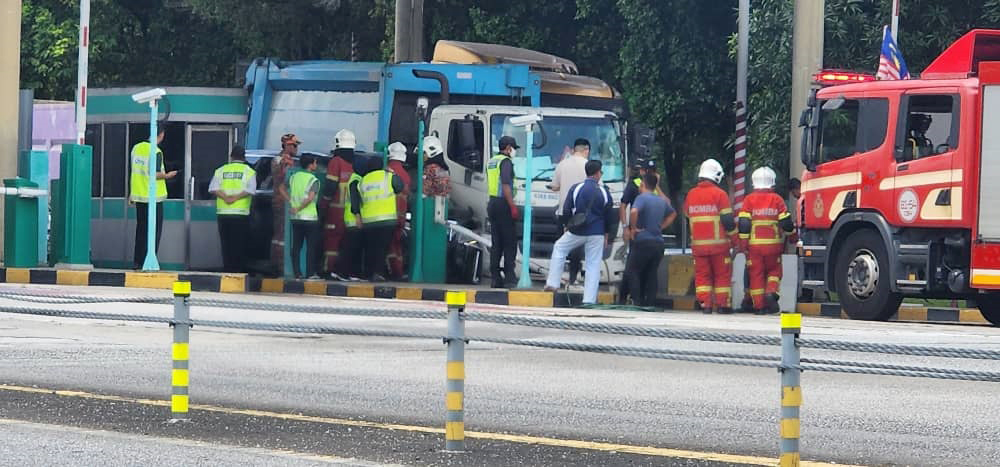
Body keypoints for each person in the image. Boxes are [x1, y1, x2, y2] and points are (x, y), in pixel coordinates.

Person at [544, 160, 617, 304]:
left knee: (559, 247)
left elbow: (566, 209)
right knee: (593, 264)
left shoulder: (576, 188)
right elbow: (609, 215)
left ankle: (553, 283)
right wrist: (607, 234)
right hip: (597, 232)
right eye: (601, 172)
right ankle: (589, 300)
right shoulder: (604, 191)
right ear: (597, 173)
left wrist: (567, 225)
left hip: (577, 230)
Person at [738, 167, 795, 314]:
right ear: (772, 182)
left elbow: (744, 224)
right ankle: (771, 292)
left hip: (754, 247)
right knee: (774, 271)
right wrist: (793, 236)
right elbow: (786, 223)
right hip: (773, 247)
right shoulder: (777, 199)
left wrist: (743, 244)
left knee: (755, 275)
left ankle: (759, 307)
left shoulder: (749, 200)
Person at [684, 158, 737, 314]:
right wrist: (735, 240)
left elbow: (687, 214)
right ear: (716, 176)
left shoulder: (691, 195)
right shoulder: (720, 194)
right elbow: (728, 221)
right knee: (722, 276)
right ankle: (722, 305)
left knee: (702, 276)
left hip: (698, 246)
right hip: (719, 246)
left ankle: (705, 305)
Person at [624, 173, 677, 306]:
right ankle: (650, 302)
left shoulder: (642, 198)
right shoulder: (660, 200)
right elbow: (673, 213)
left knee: (633, 271)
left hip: (643, 241)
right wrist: (661, 226)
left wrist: (633, 228)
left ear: (642, 185)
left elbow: (634, 211)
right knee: (652, 273)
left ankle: (637, 301)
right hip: (658, 243)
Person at [130, 127, 178, 269]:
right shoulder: (156, 151)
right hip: (153, 198)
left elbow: (135, 172)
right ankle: (149, 262)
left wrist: (131, 194)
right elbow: (155, 174)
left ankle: (137, 262)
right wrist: (168, 176)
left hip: (139, 196)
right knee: (153, 232)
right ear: (161, 135)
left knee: (141, 231)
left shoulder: (136, 148)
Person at [350, 156, 405, 281]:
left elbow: (356, 200)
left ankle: (369, 273)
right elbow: (400, 187)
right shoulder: (388, 176)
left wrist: (358, 216)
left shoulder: (363, 180)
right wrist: (392, 173)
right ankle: (378, 273)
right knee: (382, 248)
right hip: (387, 220)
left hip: (369, 221)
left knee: (371, 248)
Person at [549, 138, 590, 286]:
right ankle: (573, 278)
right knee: (577, 249)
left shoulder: (562, 164)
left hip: (563, 213)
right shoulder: (588, 166)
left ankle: (557, 278)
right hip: (580, 214)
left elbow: (554, 186)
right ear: (586, 150)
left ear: (574, 150)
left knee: (560, 247)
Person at [209, 146, 256, 273]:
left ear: (231, 156)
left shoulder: (221, 170)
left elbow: (213, 188)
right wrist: (235, 197)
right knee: (239, 244)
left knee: (226, 244)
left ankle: (227, 270)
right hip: (240, 214)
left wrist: (226, 197)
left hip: (223, 213)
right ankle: (238, 271)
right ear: (244, 157)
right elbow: (250, 190)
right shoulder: (249, 171)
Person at [322, 129, 358, 279]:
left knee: (331, 242)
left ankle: (327, 269)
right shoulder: (352, 165)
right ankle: (340, 270)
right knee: (343, 242)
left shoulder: (335, 162)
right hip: (348, 213)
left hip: (335, 211)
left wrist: (323, 204)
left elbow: (330, 187)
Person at [487, 135, 520, 288]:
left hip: (492, 202)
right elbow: (506, 184)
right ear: (508, 148)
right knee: (509, 242)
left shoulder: (492, 161)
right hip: (503, 204)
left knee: (496, 243)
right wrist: (512, 205)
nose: (514, 151)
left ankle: (495, 277)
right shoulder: (506, 162)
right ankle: (509, 277)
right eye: (513, 148)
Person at [271, 133, 300, 276]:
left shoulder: (288, 159)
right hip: (282, 201)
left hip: (286, 201)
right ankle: (279, 266)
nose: (296, 148)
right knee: (281, 236)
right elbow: (283, 179)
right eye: (294, 145)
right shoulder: (282, 160)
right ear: (286, 145)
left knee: (282, 235)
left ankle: (280, 265)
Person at [288, 154, 321, 279]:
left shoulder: (294, 177)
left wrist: (292, 203)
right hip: (310, 218)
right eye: (315, 163)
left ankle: (297, 273)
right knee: (311, 247)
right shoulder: (313, 180)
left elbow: (281, 187)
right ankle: (310, 273)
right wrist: (299, 207)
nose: (316, 165)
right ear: (311, 164)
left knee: (296, 245)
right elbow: (310, 198)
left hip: (296, 218)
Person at [337, 153, 369, 280]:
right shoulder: (356, 180)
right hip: (353, 219)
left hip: (351, 218)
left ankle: (349, 273)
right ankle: (344, 273)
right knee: (351, 248)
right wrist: (358, 217)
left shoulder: (354, 178)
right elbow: (355, 200)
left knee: (351, 247)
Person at [386, 142, 412, 280]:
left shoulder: (385, 171)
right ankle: (399, 271)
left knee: (389, 246)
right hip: (400, 216)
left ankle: (393, 272)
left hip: (386, 215)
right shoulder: (406, 175)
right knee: (397, 246)